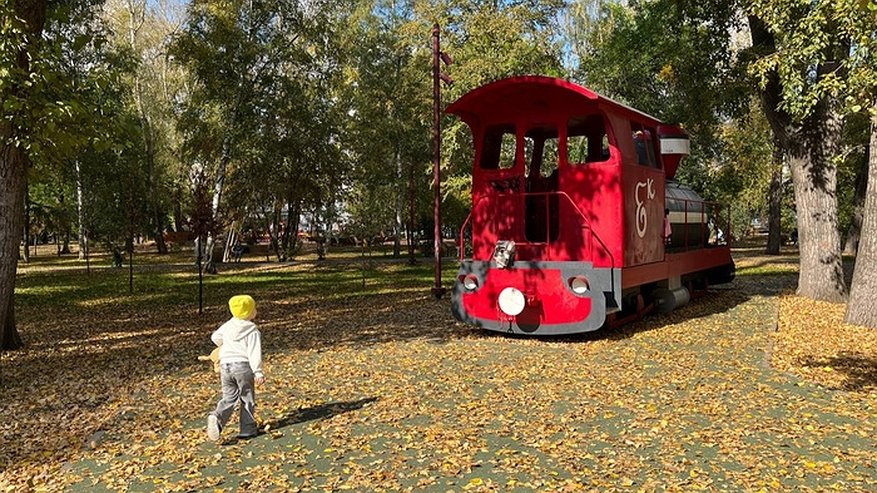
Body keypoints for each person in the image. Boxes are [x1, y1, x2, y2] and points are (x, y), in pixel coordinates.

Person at [207, 295, 265, 441]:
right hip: (242, 366)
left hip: (225, 365)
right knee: (247, 397)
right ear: (249, 313)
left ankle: (217, 417)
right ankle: (247, 429)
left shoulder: (227, 326)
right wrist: (258, 371)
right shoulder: (252, 330)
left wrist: (224, 344)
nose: (255, 311)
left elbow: (215, 337)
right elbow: (254, 352)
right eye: (254, 309)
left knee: (229, 397)